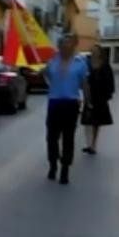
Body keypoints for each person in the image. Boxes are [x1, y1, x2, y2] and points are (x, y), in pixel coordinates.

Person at [42, 34, 91, 185]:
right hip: (54, 103)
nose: (65, 46)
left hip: (71, 104)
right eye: (62, 43)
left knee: (68, 138)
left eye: (68, 43)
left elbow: (84, 84)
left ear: (73, 46)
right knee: (51, 137)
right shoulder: (52, 61)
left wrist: (88, 102)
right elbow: (45, 74)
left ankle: (65, 169)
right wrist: (50, 83)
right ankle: (52, 164)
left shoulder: (80, 63)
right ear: (59, 46)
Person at [82, 45, 115, 155]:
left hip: (100, 97)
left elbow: (110, 81)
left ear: (100, 53)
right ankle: (88, 143)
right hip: (89, 96)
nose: (94, 52)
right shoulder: (87, 64)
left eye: (96, 51)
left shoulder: (105, 65)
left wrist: (108, 94)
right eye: (92, 50)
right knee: (87, 121)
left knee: (96, 122)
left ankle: (93, 145)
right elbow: (83, 79)